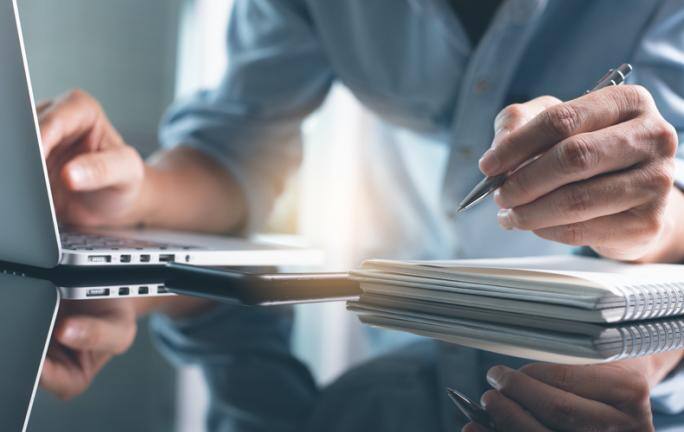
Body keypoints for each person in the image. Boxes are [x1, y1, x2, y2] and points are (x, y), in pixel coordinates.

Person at [38, 0, 684, 430]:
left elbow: (670, 183)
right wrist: (140, 191)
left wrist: (662, 225)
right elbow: (237, 147)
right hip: (404, 314)